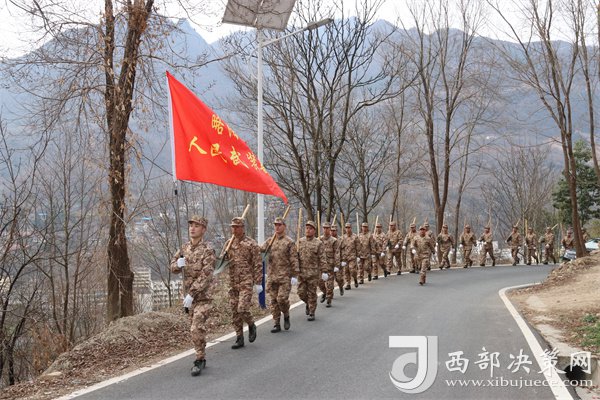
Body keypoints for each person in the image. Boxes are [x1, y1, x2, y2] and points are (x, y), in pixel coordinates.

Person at [170, 215, 216, 376]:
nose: (192, 228)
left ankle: (199, 359)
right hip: (189, 299)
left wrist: (191, 294)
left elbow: (206, 275)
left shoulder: (208, 250)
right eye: (191, 225)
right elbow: (172, 266)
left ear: (203, 229)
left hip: (203, 297)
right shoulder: (184, 248)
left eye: (196, 226)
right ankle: (201, 353)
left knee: (196, 327)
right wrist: (177, 265)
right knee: (194, 330)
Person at [225, 217, 262, 349]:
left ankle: (251, 324)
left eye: (237, 227)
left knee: (242, 308)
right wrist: (223, 256)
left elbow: (258, 263)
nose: (234, 229)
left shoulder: (251, 244)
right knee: (235, 311)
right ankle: (239, 337)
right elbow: (223, 261)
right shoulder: (229, 243)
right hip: (233, 282)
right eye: (233, 227)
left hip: (246, 281)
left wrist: (258, 282)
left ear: (242, 228)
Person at [261, 217, 299, 333]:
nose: (277, 227)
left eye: (279, 225)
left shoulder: (289, 242)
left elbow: (294, 259)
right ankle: (276, 323)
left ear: (284, 226)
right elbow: (261, 250)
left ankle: (286, 314)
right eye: (275, 225)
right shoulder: (270, 241)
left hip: (284, 277)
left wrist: (295, 275)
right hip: (272, 276)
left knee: (281, 299)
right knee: (273, 301)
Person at [297, 221, 326, 321]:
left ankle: (312, 312)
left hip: (313, 274)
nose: (308, 230)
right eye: (307, 228)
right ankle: (308, 303)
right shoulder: (300, 241)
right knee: (301, 293)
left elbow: (322, 258)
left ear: (314, 231)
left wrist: (324, 271)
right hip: (301, 274)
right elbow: (295, 257)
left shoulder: (318, 243)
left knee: (312, 293)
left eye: (310, 228)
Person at [319, 222, 338, 307]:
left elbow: (337, 253)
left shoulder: (334, 240)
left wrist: (337, 265)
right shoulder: (319, 240)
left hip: (330, 265)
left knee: (330, 284)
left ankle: (329, 299)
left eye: (327, 228)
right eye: (324, 228)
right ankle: (324, 292)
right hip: (321, 266)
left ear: (330, 229)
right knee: (320, 283)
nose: (325, 230)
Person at [340, 223, 360, 289]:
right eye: (346, 228)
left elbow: (358, 247)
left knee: (352, 270)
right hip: (345, 257)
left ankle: (355, 278)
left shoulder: (355, 237)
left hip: (352, 257)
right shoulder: (343, 237)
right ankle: (348, 284)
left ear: (351, 228)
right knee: (346, 271)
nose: (347, 229)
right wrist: (341, 258)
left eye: (349, 227)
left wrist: (358, 256)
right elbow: (341, 248)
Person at [330, 225, 345, 294]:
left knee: (339, 278)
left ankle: (341, 286)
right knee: (329, 280)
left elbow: (344, 250)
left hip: (338, 262)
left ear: (336, 231)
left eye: (334, 231)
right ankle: (329, 293)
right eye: (331, 231)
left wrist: (343, 260)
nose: (332, 232)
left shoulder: (340, 240)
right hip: (329, 262)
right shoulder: (327, 239)